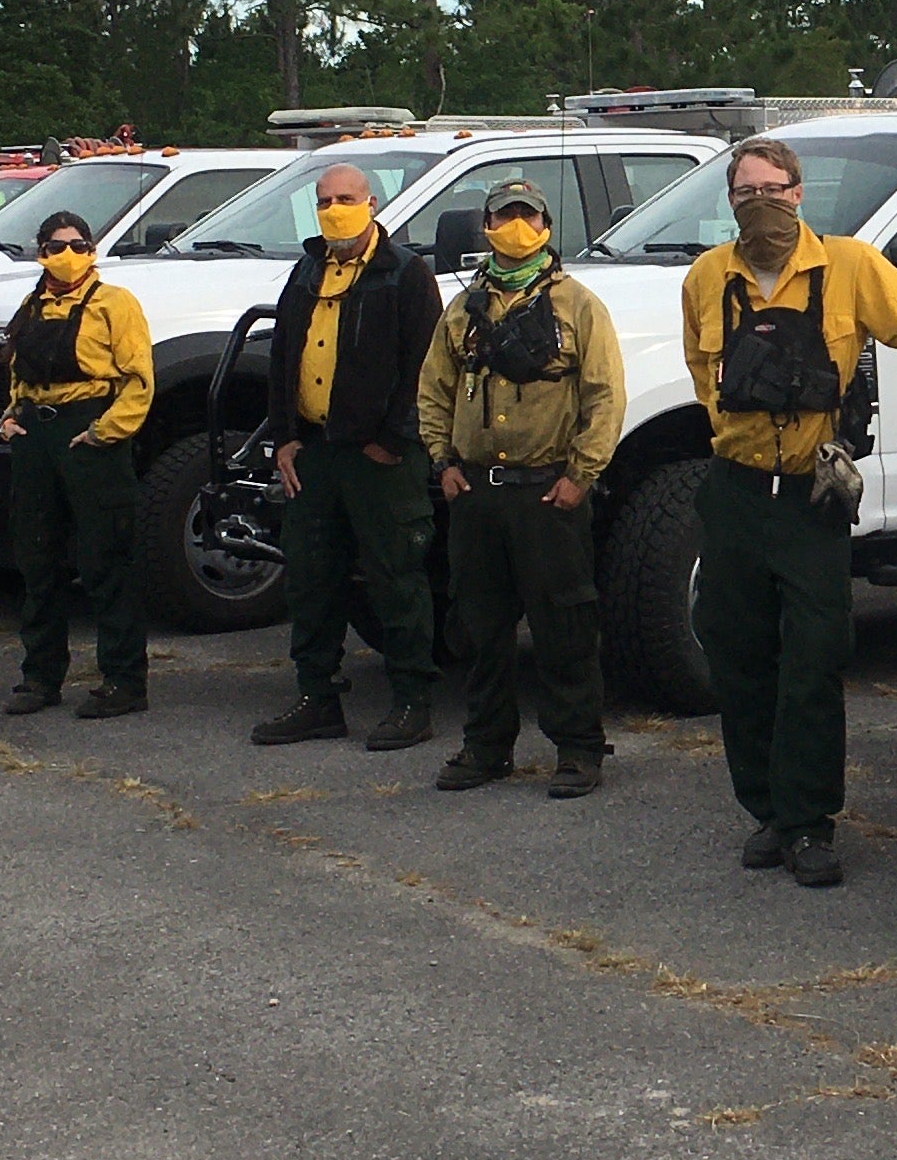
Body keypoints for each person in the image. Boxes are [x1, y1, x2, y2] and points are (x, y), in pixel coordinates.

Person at [683, 134, 897, 885]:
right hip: (733, 491)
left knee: (815, 658)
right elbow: (704, 373)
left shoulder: (851, 267)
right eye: (744, 192)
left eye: (773, 189)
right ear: (729, 202)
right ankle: (766, 810)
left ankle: (810, 822)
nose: (759, 203)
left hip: (811, 497)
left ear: (800, 195)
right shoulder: (705, 279)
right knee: (737, 655)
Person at [420, 177, 627, 797]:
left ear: (545, 227)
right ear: (485, 225)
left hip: (547, 494)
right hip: (477, 495)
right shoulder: (462, 309)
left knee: (565, 626)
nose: (515, 224)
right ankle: (485, 747)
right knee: (480, 628)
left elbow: (604, 396)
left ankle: (578, 751)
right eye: (502, 214)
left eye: (526, 215)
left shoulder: (578, 304)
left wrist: (579, 477)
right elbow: (434, 390)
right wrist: (443, 463)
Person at [252, 160, 448, 750]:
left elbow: (425, 367)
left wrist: (392, 441)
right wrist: (283, 434)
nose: (335, 209)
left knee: (396, 579)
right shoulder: (308, 269)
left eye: (346, 198)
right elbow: (284, 352)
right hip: (313, 452)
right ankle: (317, 698)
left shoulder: (406, 274)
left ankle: (412, 701)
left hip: (379, 460)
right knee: (310, 579)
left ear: (372, 204)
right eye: (325, 200)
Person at [0, 208, 158, 718]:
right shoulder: (31, 305)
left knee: (107, 558)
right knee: (37, 559)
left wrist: (105, 432)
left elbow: (139, 379)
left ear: (91, 249)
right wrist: (10, 417)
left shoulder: (115, 302)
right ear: (41, 252)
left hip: (90, 433)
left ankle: (124, 681)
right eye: (56, 245)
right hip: (36, 435)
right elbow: (20, 373)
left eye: (78, 244)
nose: (68, 255)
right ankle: (40, 677)